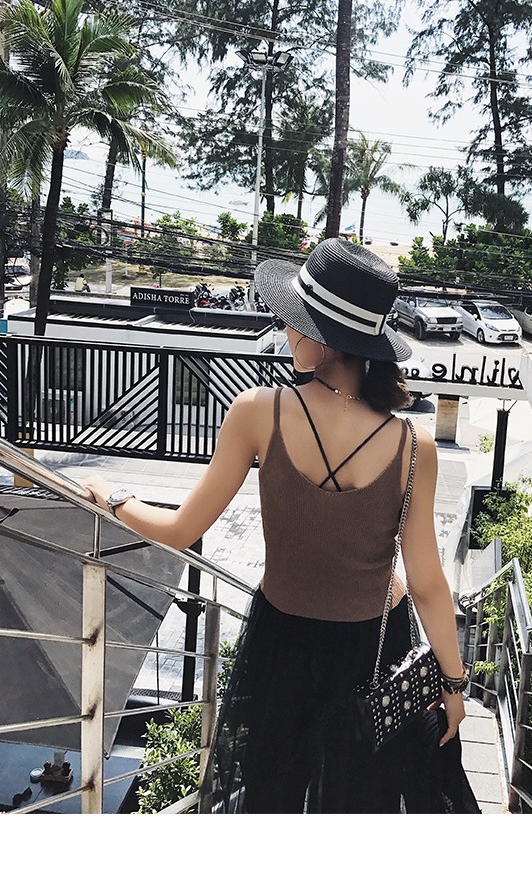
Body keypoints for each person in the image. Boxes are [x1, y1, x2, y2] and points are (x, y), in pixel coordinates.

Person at [82, 238, 480, 814]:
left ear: (323, 337)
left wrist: (111, 496)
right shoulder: (413, 444)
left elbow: (178, 530)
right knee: (357, 802)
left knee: (271, 796)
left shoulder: (257, 411)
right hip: (376, 642)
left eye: (294, 320)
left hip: (283, 644)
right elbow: (427, 583)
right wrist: (454, 683)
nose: (285, 330)